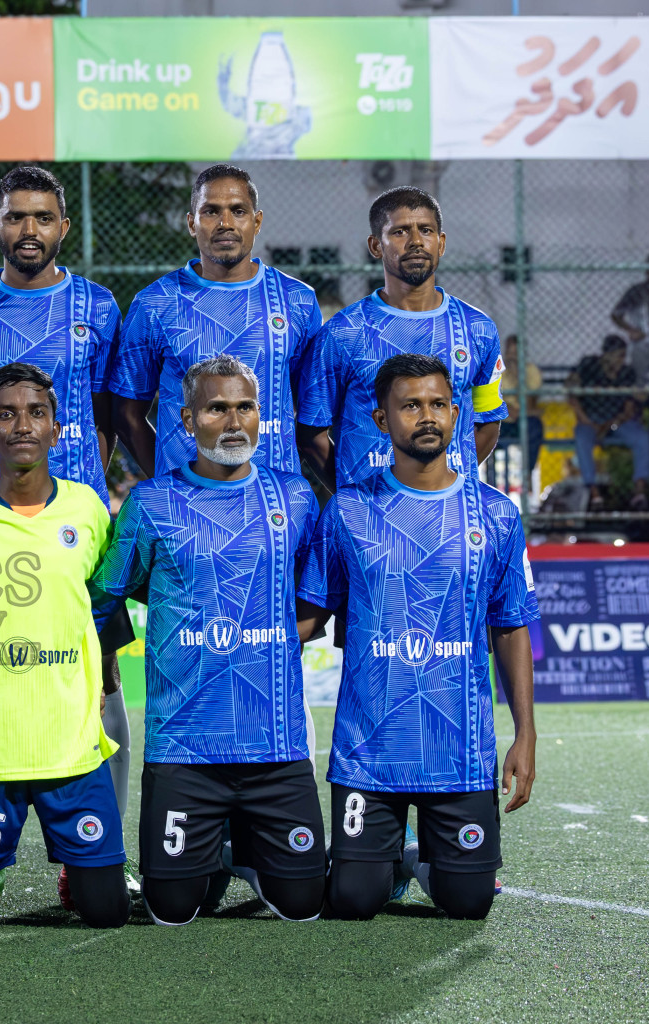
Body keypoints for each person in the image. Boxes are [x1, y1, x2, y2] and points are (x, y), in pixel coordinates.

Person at [0, 166, 134, 872]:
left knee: (103, 673)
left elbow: (108, 411)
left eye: (43, 217)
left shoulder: (99, 305)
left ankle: (99, 857)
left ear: (63, 227)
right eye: (15, 217)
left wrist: (83, 486)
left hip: (78, 526)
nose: (29, 230)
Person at [298, 353, 539, 921]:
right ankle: (385, 863)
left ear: (456, 414)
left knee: (468, 903)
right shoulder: (348, 511)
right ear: (382, 419)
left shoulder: (497, 515)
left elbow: (509, 626)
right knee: (354, 901)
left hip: (459, 751)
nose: (426, 416)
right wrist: (250, 641)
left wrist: (525, 733)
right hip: (369, 752)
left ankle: (412, 859)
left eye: (437, 404)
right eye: (410, 406)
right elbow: (311, 615)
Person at [92, 355, 324, 926]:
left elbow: (317, 600)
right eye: (217, 408)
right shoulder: (151, 503)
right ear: (187, 420)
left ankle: (242, 852)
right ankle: (216, 855)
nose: (234, 420)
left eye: (245, 406)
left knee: (304, 907)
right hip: (184, 750)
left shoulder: (295, 499)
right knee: (171, 911)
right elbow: (106, 596)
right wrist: (102, 670)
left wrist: (265, 641)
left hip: (274, 747)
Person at [0, 362, 130, 931]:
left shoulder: (89, 509)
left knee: (107, 912)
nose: (23, 425)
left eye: (36, 412)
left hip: (70, 745)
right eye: (7, 414)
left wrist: (103, 673)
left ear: (56, 429)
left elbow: (101, 599)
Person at [112, 164, 320, 481]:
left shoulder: (298, 300)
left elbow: (313, 416)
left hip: (275, 502)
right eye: (211, 211)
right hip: (185, 504)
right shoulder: (156, 302)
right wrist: (168, 480)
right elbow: (127, 414)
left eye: (238, 211)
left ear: (257, 221)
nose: (225, 223)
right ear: (191, 223)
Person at [296, 186, 506, 492]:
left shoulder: (479, 329)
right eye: (400, 232)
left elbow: (488, 422)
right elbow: (310, 435)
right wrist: (352, 496)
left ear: (441, 243)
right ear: (375, 245)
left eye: (426, 230)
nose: (416, 241)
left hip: (451, 515)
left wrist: (449, 479)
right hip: (370, 519)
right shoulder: (343, 332)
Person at [566, 335, 649, 512]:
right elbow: (572, 395)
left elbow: (629, 407)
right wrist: (588, 421)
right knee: (582, 438)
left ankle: (639, 491)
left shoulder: (626, 373)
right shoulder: (589, 365)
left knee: (641, 437)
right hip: (589, 421)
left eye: (623, 356)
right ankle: (595, 494)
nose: (622, 360)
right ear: (607, 355)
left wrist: (611, 424)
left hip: (617, 422)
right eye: (619, 355)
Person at [496, 333, 544, 482]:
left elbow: (529, 404)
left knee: (535, 425)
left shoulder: (532, 371)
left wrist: (518, 376)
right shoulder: (496, 370)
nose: (512, 357)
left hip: (522, 420)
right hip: (501, 421)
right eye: (510, 353)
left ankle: (527, 474)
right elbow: (494, 402)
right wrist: (509, 408)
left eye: (516, 353)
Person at [610, 252, 649, 382]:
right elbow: (616, 315)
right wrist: (631, 330)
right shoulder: (636, 291)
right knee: (642, 381)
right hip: (642, 344)